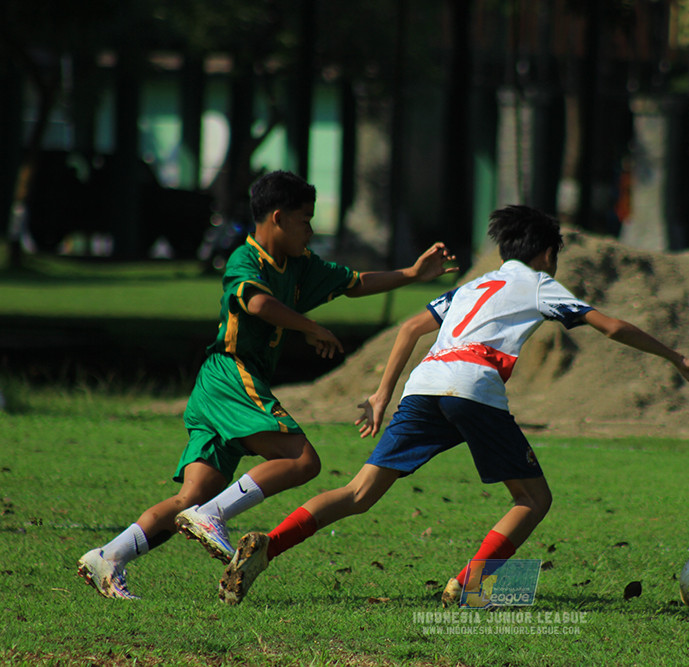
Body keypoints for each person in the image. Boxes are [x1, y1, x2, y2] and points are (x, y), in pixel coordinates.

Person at [217, 204, 689, 606]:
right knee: (533, 499)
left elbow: (411, 329)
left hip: (424, 384)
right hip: (474, 386)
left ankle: (269, 544)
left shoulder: (474, 285)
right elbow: (610, 326)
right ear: (547, 253)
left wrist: (381, 395)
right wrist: (676, 357)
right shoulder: (539, 283)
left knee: (358, 492)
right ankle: (468, 584)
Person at [76, 170, 458, 599]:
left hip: (216, 388)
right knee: (302, 460)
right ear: (278, 218)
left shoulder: (300, 265)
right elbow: (257, 303)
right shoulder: (246, 259)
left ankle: (108, 557)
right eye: (305, 220)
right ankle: (214, 516)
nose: (310, 231)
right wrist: (310, 327)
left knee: (189, 499)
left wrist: (412, 273)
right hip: (230, 375)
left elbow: (354, 283)